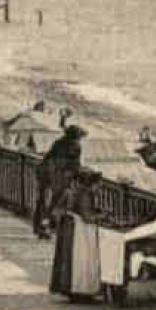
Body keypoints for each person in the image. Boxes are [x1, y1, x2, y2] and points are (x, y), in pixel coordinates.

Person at [49, 169, 103, 300]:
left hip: (71, 228)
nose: (99, 189)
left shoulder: (74, 192)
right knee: (83, 258)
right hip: (80, 231)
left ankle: (73, 289)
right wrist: (102, 216)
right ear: (91, 184)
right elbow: (87, 217)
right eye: (98, 186)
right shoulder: (85, 195)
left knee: (73, 259)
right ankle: (82, 290)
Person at [33, 123, 85, 238]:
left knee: (45, 202)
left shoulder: (59, 143)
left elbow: (50, 158)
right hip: (56, 176)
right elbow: (74, 165)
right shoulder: (75, 146)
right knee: (54, 203)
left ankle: (41, 227)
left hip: (48, 174)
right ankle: (48, 226)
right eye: (78, 137)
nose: (79, 140)